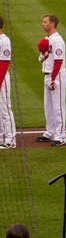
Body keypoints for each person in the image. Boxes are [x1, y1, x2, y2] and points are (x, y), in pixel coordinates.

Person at [39, 13, 66, 146]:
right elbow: (46, 57)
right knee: (48, 106)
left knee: (58, 106)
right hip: (48, 74)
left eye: (45, 22)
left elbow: (58, 61)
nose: (43, 24)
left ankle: (61, 136)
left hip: (56, 76)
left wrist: (53, 79)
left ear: (52, 24)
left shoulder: (57, 40)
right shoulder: (47, 39)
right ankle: (50, 131)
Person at [0, 17, 12, 150]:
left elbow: (4, 62)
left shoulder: (4, 41)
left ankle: (10, 139)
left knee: (5, 109)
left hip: (1, 77)